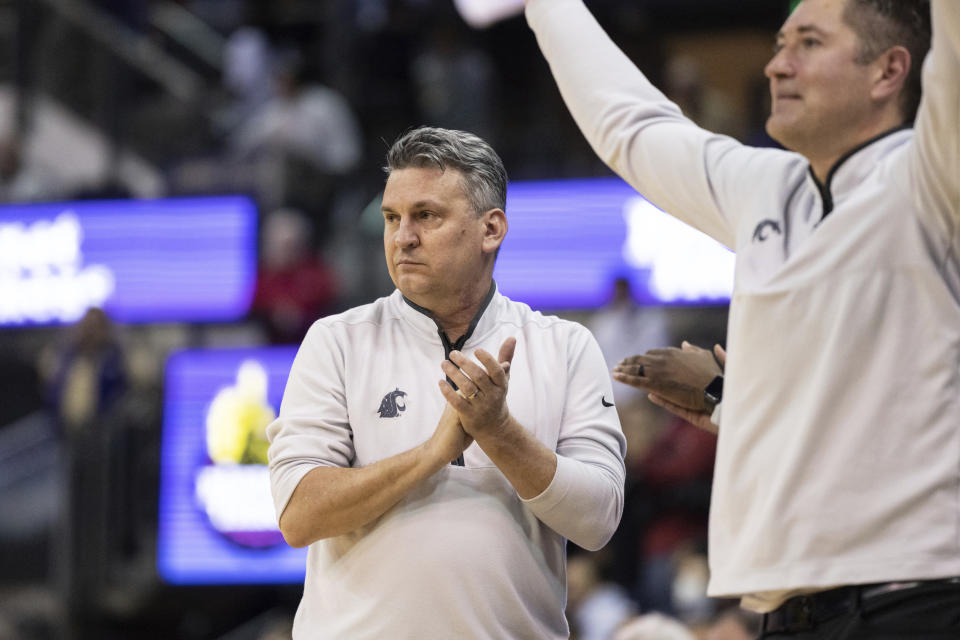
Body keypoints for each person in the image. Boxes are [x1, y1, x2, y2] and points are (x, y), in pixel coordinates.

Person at [524, 0, 959, 637]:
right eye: (780, 42)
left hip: (917, 600)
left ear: (889, 71)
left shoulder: (934, 174)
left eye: (808, 43)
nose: (777, 65)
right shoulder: (765, 184)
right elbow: (630, 122)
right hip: (783, 612)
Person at [267, 126, 626, 639]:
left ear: (491, 229)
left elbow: (598, 520)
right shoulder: (336, 341)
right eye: (392, 217)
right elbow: (299, 516)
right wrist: (432, 453)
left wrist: (499, 432)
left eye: (426, 216)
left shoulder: (564, 347)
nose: (402, 236)